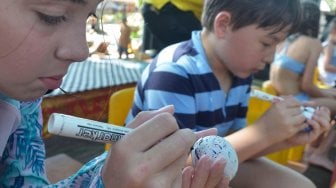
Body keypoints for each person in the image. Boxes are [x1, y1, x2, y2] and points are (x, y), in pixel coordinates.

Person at [0, 0, 229, 187]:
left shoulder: (23, 99)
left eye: (89, 17)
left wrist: (111, 178)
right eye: (52, 15)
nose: (82, 50)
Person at [127, 0, 332, 187]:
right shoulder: (174, 72)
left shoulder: (240, 72)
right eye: (267, 43)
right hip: (158, 174)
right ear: (223, 25)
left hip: (208, 167)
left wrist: (286, 138)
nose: (271, 57)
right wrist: (264, 132)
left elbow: (234, 148)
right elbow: (174, 165)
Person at [270, 2, 336, 172]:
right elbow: (307, 85)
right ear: (316, 19)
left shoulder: (285, 41)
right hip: (297, 102)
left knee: (330, 99)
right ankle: (318, 153)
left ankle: (311, 151)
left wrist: (327, 93)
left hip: (280, 98)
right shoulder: (312, 42)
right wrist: (330, 95)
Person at [318, 18, 336, 87]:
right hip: (330, 82)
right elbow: (326, 67)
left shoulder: (330, 45)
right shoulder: (329, 46)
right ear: (334, 31)